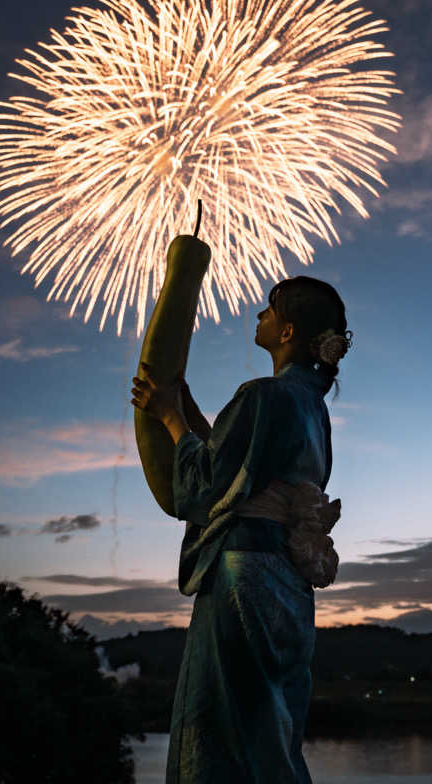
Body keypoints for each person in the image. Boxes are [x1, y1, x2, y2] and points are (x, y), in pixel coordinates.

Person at [131, 275, 352, 784]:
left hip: (242, 574)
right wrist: (183, 407)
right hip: (287, 579)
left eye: (268, 312)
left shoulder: (262, 395)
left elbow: (206, 483)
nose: (259, 318)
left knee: (223, 721)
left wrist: (167, 418)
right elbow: (239, 468)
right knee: (268, 722)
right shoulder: (312, 409)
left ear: (288, 330)